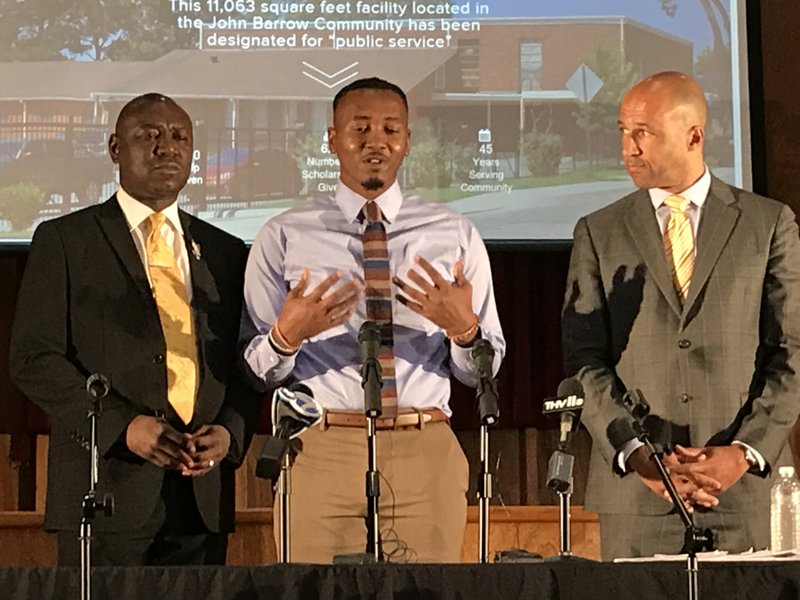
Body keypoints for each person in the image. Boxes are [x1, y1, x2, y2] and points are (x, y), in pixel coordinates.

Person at [243, 77, 505, 563]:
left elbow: (480, 372)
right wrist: (286, 336)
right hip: (319, 448)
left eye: (390, 128)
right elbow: (257, 370)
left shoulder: (454, 233)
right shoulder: (283, 234)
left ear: (407, 139)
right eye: (359, 128)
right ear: (332, 140)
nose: (375, 141)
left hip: (423, 444)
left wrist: (464, 330)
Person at [10, 93, 260, 566]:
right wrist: (122, 425)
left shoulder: (225, 251)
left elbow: (243, 363)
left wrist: (229, 432)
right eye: (150, 136)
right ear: (114, 148)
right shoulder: (66, 240)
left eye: (179, 137)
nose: (167, 147)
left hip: (201, 496)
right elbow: (33, 360)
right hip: (105, 491)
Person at [561, 71, 800, 560]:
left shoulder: (768, 223)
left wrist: (743, 453)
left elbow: (792, 350)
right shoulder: (598, 231)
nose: (627, 147)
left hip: (746, 493)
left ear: (694, 135)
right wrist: (641, 457)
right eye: (623, 131)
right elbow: (584, 362)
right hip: (638, 495)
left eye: (642, 132)